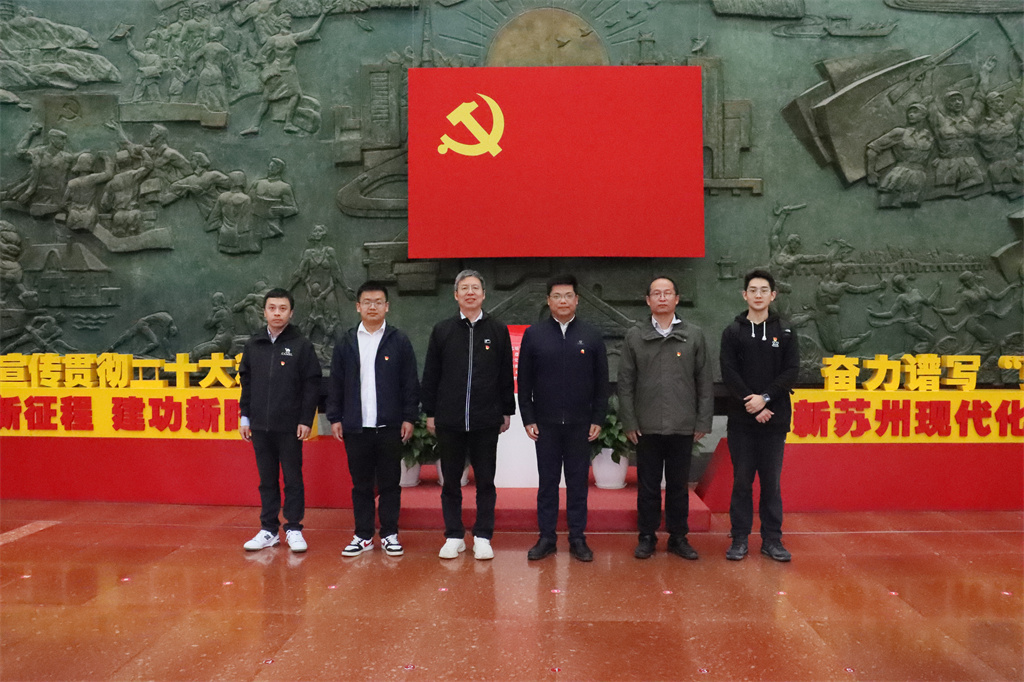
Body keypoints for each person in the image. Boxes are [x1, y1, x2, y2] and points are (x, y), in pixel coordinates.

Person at [421, 269, 515, 560]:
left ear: (484, 294)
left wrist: (507, 411)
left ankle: (483, 536)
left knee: (485, 481)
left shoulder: (497, 330)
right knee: (451, 482)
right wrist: (430, 412)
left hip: (486, 419)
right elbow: (431, 374)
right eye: (464, 288)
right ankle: (454, 535)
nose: (470, 292)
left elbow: (505, 374)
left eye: (475, 288)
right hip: (449, 420)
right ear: (456, 295)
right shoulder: (443, 330)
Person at [618, 276, 712, 560]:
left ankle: (678, 537)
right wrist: (629, 422)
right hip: (646, 426)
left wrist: (702, 421)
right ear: (648, 300)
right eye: (656, 294)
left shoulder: (694, 335)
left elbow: (704, 381)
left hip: (682, 425)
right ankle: (647, 536)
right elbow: (625, 383)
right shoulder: (635, 336)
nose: (662, 298)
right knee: (647, 486)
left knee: (678, 486)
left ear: (676, 299)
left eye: (667, 293)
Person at [517, 274, 608, 562]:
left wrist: (598, 417)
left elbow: (602, 382)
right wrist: (528, 417)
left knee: (578, 484)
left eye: (568, 296)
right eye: (557, 296)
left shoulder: (591, 335)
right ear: (548, 301)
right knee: (548, 484)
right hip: (545, 424)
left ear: (577, 300)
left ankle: (578, 538)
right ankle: (547, 538)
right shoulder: (534, 335)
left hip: (581, 425)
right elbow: (524, 381)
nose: (563, 301)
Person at [327, 281, 419, 558]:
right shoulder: (346, 341)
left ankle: (390, 534)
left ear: (387, 306)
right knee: (361, 485)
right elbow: (336, 382)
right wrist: (335, 417)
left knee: (390, 483)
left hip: (389, 426)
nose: (372, 307)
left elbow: (410, 383)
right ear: (358, 306)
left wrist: (409, 417)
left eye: (378, 302)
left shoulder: (399, 340)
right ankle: (363, 535)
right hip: (356, 427)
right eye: (367, 302)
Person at [720, 270, 801, 562]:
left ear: (772, 295)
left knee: (771, 483)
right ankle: (739, 538)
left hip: (774, 421)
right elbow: (729, 373)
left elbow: (791, 371)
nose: (758, 295)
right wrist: (751, 403)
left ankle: (772, 539)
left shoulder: (786, 331)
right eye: (752, 290)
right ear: (745, 295)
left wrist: (765, 399)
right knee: (742, 481)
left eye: (763, 290)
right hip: (741, 422)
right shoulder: (733, 332)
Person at [238, 288, 322, 553]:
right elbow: (246, 383)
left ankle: (294, 528)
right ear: (264, 311)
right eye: (272, 308)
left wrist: (305, 419)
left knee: (293, 478)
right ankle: (268, 529)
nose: (277, 313)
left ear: (291, 313)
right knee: (267, 479)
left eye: (282, 308)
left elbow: (312, 385)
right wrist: (245, 416)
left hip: (290, 426)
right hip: (259, 425)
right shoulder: (253, 344)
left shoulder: (301, 345)